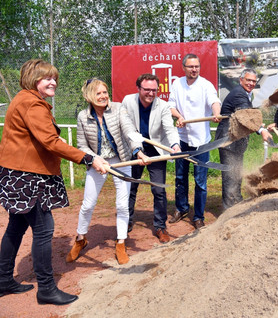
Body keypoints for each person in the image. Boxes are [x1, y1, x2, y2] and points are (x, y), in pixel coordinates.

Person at [0, 59, 107, 305]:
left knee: (16, 227)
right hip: (27, 178)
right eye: (46, 78)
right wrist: (88, 158)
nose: (53, 82)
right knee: (44, 229)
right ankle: (46, 289)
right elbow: (51, 142)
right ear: (33, 80)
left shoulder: (23, 99)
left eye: (54, 77)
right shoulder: (32, 104)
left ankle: (3, 279)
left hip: (16, 174)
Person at [66, 78, 143, 265]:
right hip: (97, 162)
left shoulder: (118, 109)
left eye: (105, 92)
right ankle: (80, 239)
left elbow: (129, 131)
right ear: (89, 96)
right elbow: (83, 145)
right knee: (88, 204)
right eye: (98, 93)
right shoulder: (83, 116)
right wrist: (95, 160)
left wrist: (138, 150)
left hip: (121, 160)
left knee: (123, 205)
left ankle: (121, 243)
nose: (103, 96)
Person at [122, 74, 181, 242]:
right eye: (146, 89)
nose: (150, 93)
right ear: (138, 88)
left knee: (158, 189)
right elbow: (125, 128)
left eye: (154, 90)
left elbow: (169, 128)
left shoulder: (162, 105)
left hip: (155, 150)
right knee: (130, 188)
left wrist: (175, 145)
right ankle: (126, 222)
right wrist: (137, 150)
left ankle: (160, 226)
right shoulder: (128, 101)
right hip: (133, 149)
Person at [167, 54, 221, 229]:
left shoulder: (205, 85)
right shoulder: (177, 84)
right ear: (184, 67)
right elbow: (171, 105)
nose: (194, 69)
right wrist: (179, 116)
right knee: (180, 177)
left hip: (201, 142)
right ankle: (181, 208)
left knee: (200, 181)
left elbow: (214, 101)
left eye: (197, 66)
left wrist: (216, 113)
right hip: (182, 139)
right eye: (190, 66)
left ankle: (198, 216)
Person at [215, 68, 272, 210]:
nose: (251, 83)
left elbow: (246, 116)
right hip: (228, 142)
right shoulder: (239, 94)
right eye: (248, 80)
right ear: (241, 80)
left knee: (236, 176)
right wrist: (261, 130)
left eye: (254, 81)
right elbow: (246, 116)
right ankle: (228, 215)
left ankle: (237, 207)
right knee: (230, 178)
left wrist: (259, 124)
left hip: (236, 142)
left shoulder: (246, 94)